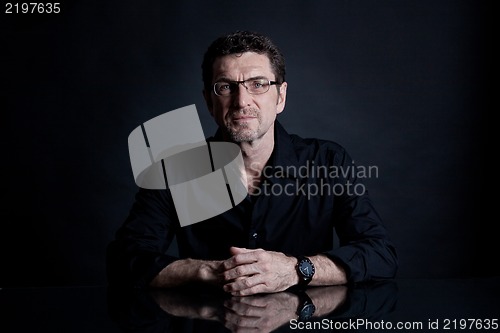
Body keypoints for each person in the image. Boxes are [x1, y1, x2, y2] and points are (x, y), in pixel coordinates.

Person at [106, 30, 398, 296]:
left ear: (280, 97)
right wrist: (212, 271)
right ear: (209, 101)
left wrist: (296, 270)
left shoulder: (329, 162)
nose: (242, 100)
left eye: (258, 84)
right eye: (225, 87)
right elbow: (125, 259)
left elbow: (380, 255)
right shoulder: (174, 171)